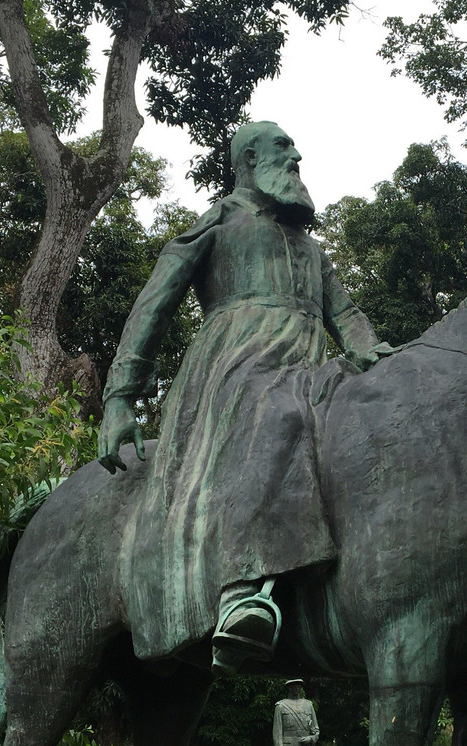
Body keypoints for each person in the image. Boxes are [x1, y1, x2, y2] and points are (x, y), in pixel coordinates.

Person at [97, 121, 388, 674]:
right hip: (238, 367)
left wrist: (370, 352)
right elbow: (153, 306)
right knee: (276, 413)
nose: (298, 155)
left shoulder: (312, 248)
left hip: (308, 368)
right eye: (284, 147)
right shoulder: (222, 221)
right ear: (250, 159)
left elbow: (346, 315)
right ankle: (242, 590)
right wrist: (120, 398)